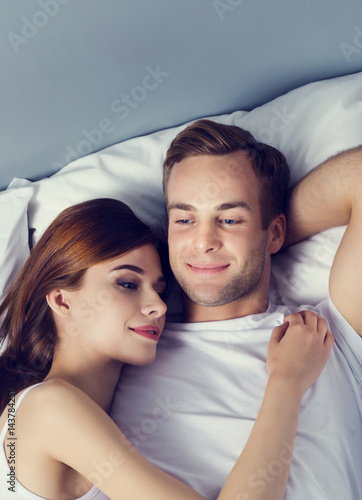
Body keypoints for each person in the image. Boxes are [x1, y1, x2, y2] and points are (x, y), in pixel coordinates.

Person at [0, 198, 333, 500]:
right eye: (128, 284)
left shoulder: (66, 409)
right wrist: (288, 382)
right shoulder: (49, 407)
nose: (158, 306)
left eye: (160, 290)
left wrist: (260, 239)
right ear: (62, 300)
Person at [111, 120, 362, 500]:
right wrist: (244, 238)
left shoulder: (325, 335)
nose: (203, 241)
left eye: (228, 219)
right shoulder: (128, 349)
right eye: (185, 219)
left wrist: (259, 241)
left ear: (276, 232)